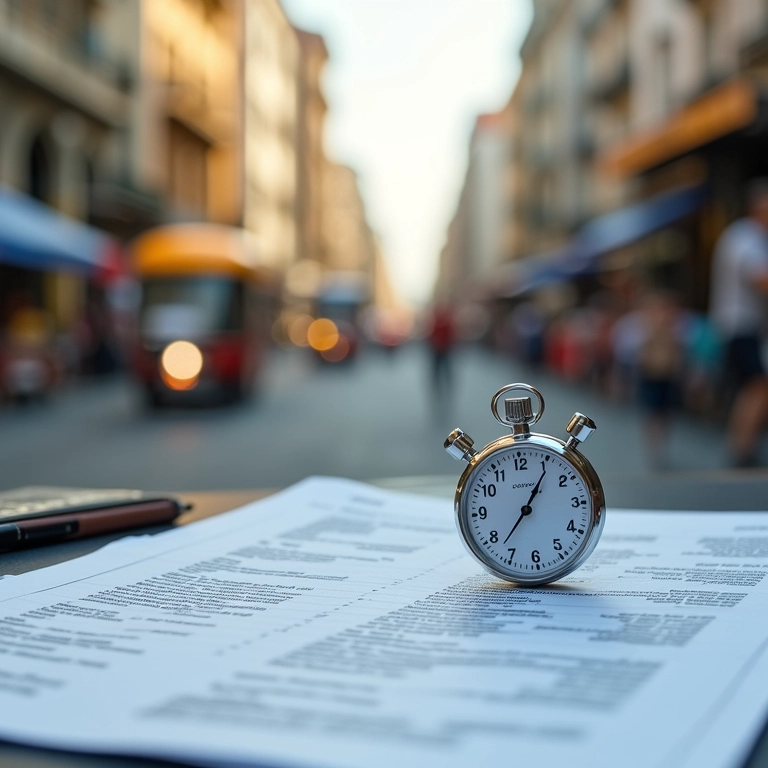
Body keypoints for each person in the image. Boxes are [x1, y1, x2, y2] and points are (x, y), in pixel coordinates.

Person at [710, 178, 768, 467]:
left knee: (751, 387)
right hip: (739, 325)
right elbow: (760, 279)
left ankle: (742, 446)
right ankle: (741, 449)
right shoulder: (746, 237)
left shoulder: (747, 236)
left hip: (741, 326)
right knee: (757, 385)